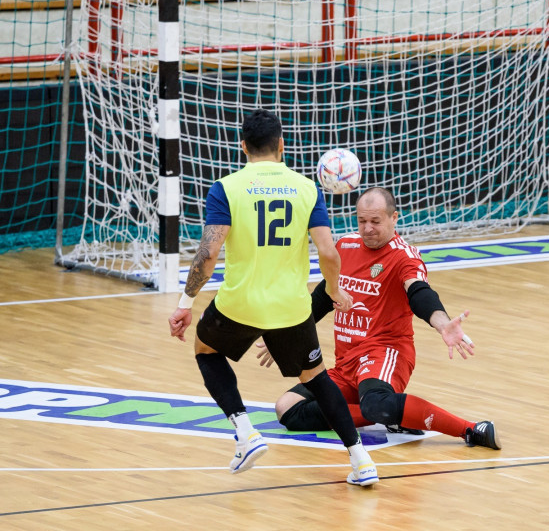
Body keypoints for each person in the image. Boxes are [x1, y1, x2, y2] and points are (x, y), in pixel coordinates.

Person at [168, 108, 379, 486]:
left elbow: (208, 253)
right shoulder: (307, 188)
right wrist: (333, 290)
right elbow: (329, 253)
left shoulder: (226, 188)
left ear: (243, 147)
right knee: (317, 379)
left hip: (240, 304)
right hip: (291, 309)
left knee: (205, 349)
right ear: (282, 145)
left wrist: (186, 304)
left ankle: (246, 433)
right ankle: (361, 460)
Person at [257, 187, 501, 450]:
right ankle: (394, 414)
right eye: (362, 220)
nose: (367, 228)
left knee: (375, 403)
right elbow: (322, 297)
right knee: (288, 409)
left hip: (384, 353)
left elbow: (419, 292)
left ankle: (471, 429)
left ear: (394, 218)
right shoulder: (345, 246)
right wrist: (288, 334)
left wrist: (442, 323)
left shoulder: (404, 256)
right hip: (347, 363)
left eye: (375, 221)